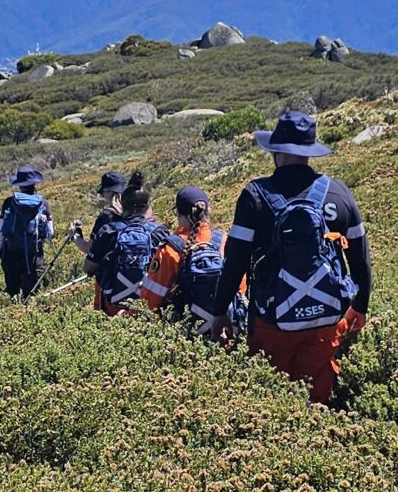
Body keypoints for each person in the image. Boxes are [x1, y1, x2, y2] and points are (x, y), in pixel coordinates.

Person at [214, 111, 373, 404]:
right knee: (317, 399)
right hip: (326, 319)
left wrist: (219, 310)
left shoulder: (255, 195)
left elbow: (234, 261)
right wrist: (360, 306)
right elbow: (360, 258)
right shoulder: (339, 193)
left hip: (271, 320)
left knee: (270, 400)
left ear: (276, 151)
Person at [155, 186, 238, 344]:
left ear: (178, 214)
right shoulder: (224, 242)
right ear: (208, 210)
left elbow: (151, 298)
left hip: (187, 338)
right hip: (226, 333)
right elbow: (239, 290)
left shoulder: (170, 248)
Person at [87, 172, 167, 317]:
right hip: (149, 304)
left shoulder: (109, 231)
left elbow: (89, 268)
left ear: (122, 205)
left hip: (113, 305)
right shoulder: (159, 232)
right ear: (147, 206)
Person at [0, 166, 55, 298]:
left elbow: (2, 229)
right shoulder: (44, 204)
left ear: (19, 185)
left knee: (12, 291)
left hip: (12, 251)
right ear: (34, 184)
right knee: (32, 293)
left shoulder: (9, 203)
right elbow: (49, 232)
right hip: (34, 254)